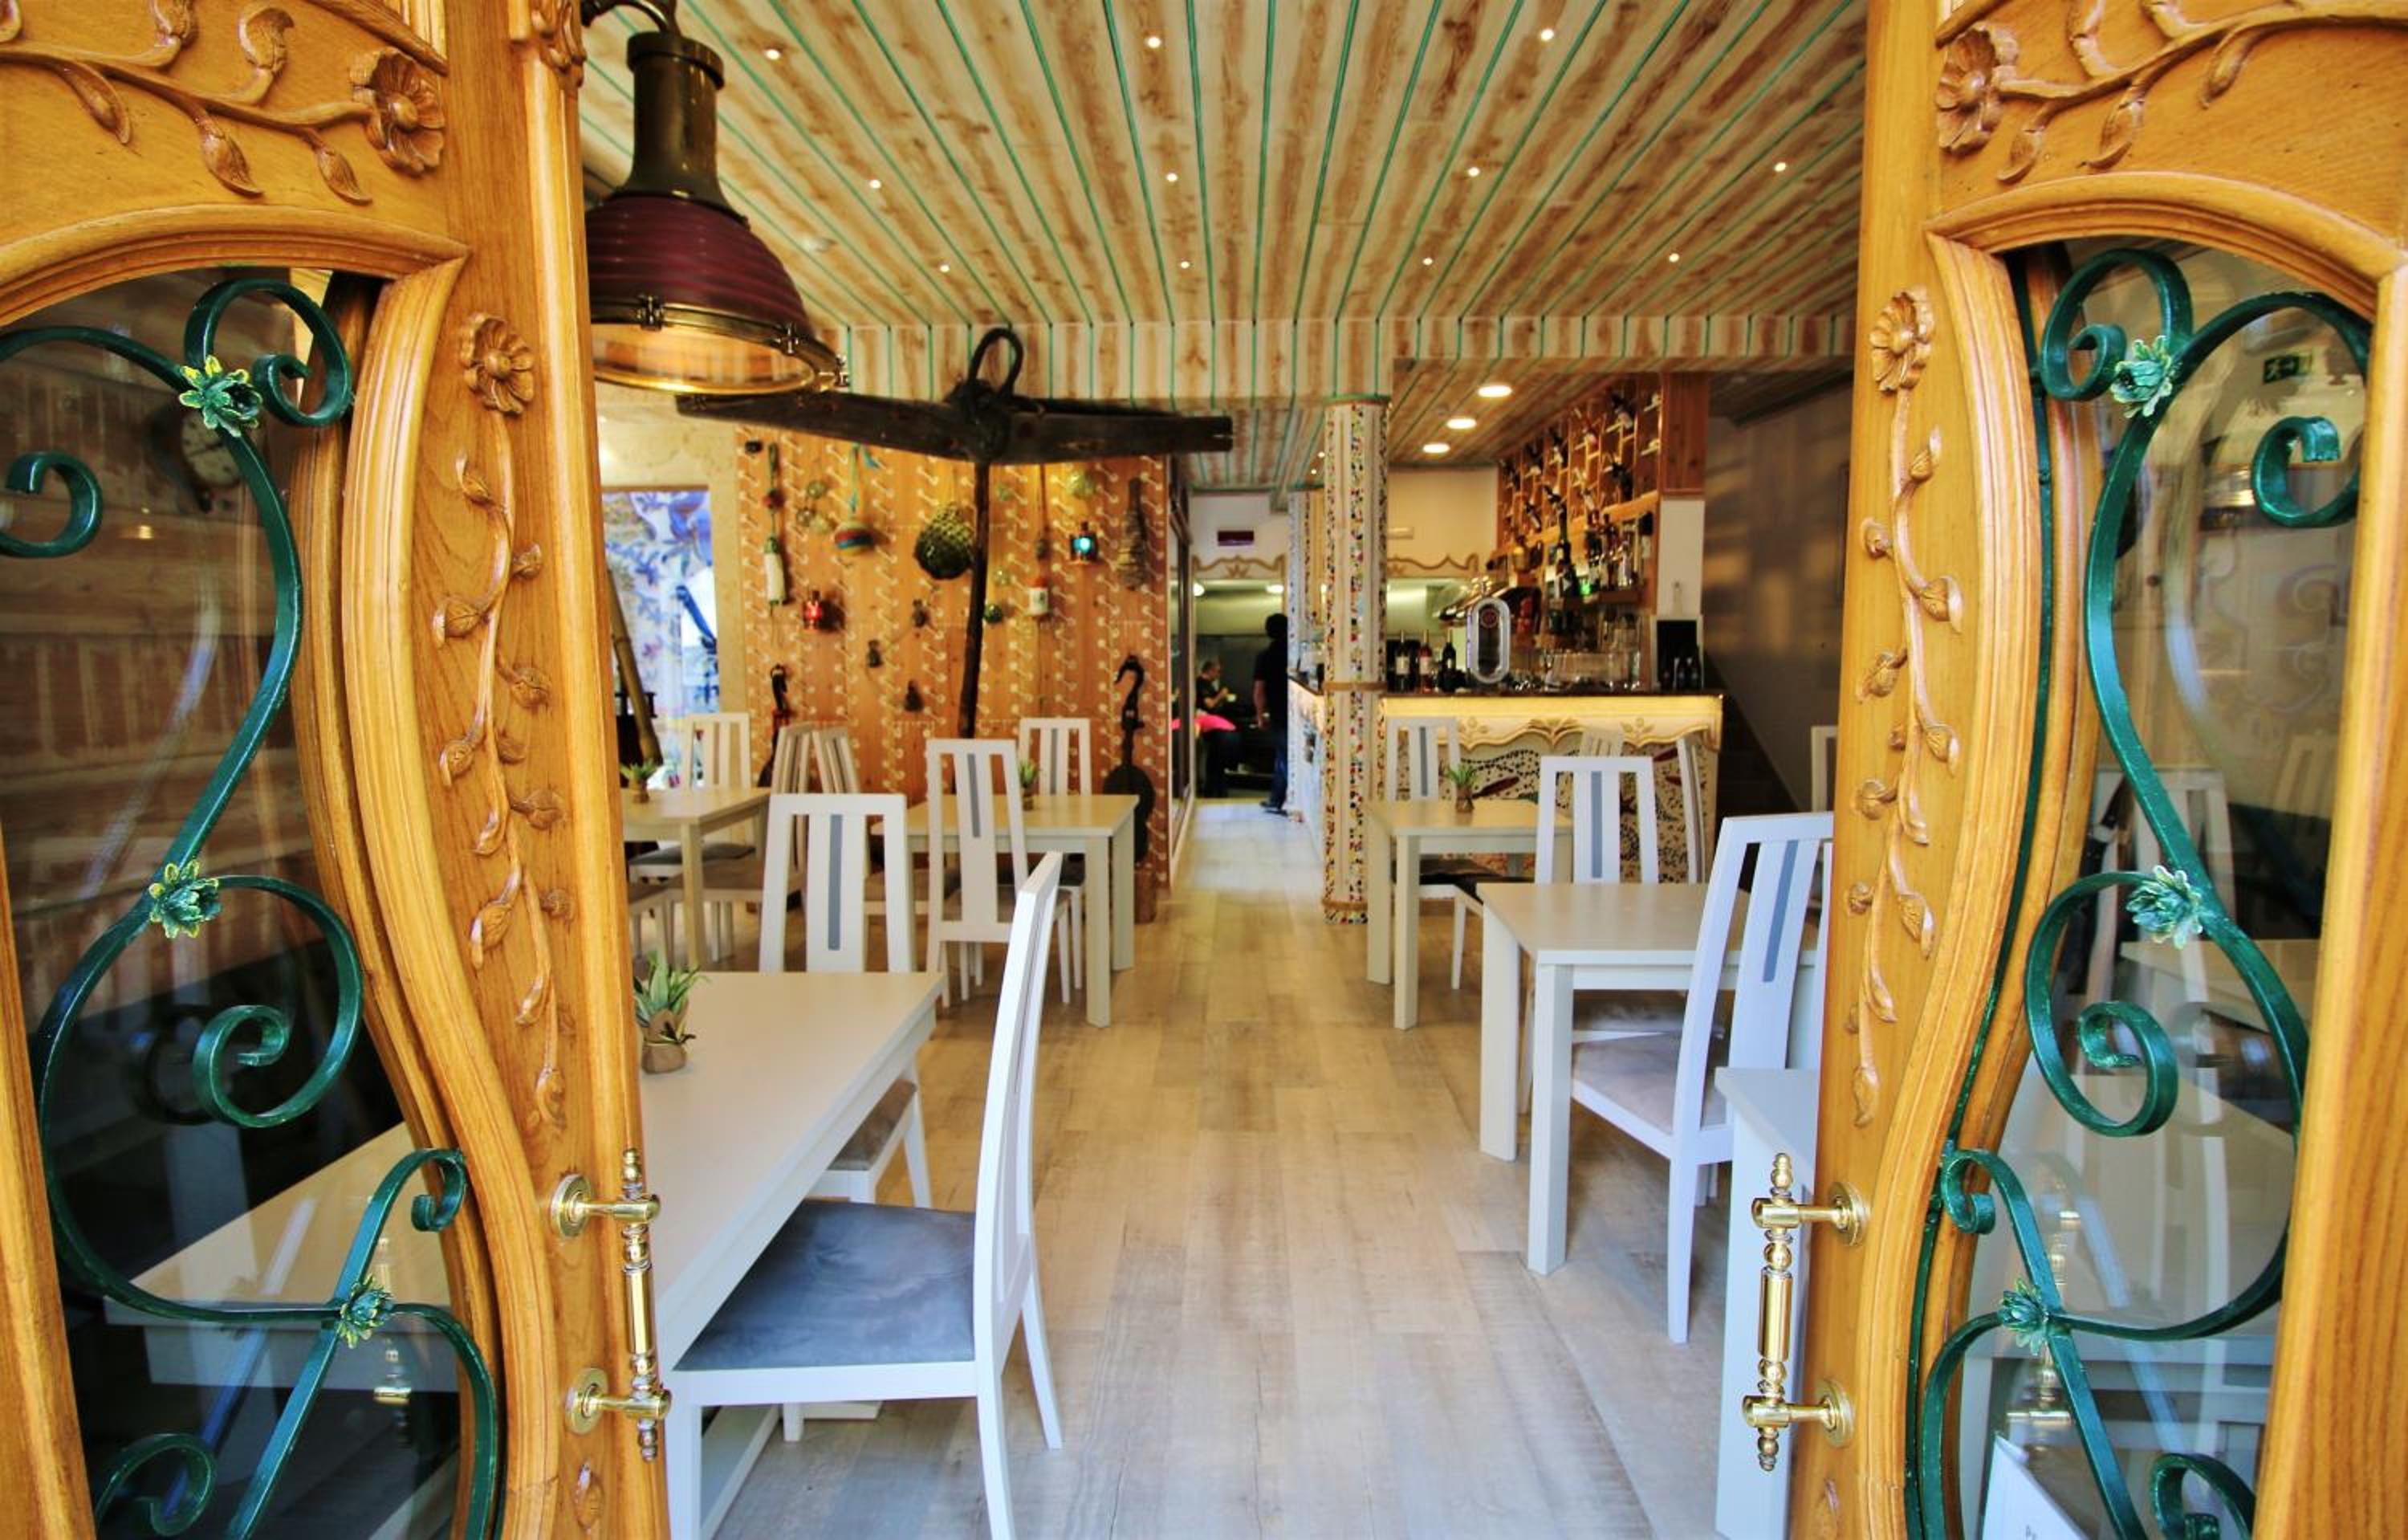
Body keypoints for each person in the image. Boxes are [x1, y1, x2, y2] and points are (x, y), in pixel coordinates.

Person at [1251, 611, 1289, 813]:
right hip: (1297, 712)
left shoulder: (1264, 656)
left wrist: (1260, 715)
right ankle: (1277, 800)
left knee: (1284, 756)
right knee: (1283, 756)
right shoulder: (1294, 653)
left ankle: (1285, 802)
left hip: (1278, 713)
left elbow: (1259, 690)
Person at [1194, 658, 1239, 796]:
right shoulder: (1201, 684)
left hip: (1212, 727)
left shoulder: (1208, 685)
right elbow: (1210, 704)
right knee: (1213, 759)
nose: (1219, 675)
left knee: (1215, 759)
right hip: (1207, 727)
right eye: (1218, 672)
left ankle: (1215, 789)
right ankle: (1212, 789)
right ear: (1210, 670)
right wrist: (1221, 695)